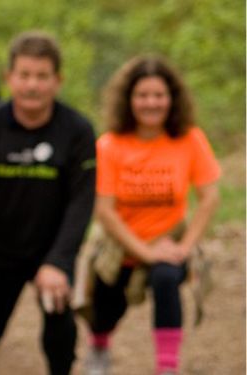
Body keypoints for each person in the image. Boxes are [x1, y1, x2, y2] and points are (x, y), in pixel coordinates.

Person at [0, 31, 95, 375]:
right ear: (9, 78)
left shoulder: (78, 130)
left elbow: (82, 201)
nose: (32, 85)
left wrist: (59, 260)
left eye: (42, 76)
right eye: (24, 75)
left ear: (58, 81)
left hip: (50, 249)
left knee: (60, 329)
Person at [81, 55, 220, 375]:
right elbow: (104, 210)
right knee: (105, 308)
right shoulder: (110, 145)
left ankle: (166, 367)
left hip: (168, 241)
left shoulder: (190, 139)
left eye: (158, 95)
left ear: (172, 99)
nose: (151, 103)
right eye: (142, 95)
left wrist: (184, 247)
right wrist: (143, 251)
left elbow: (210, 198)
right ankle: (99, 344)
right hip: (120, 243)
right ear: (128, 100)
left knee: (166, 277)